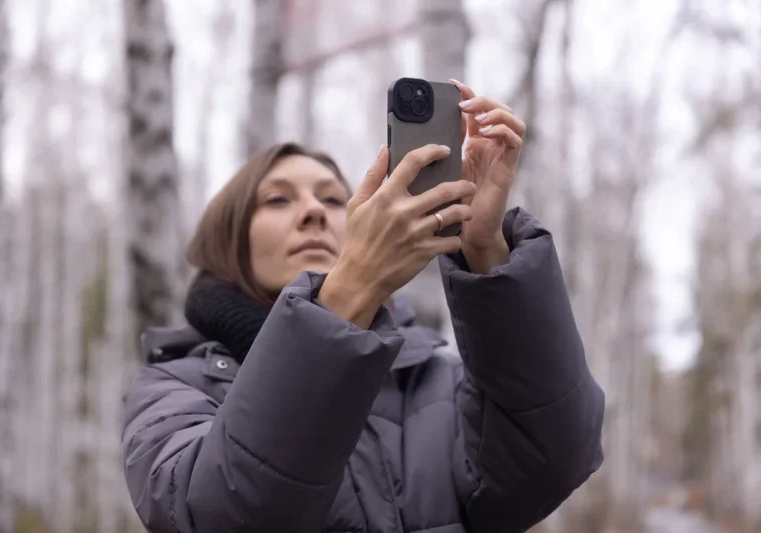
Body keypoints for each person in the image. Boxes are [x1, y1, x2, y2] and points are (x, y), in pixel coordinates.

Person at [121, 80, 605, 533]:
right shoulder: (173, 387)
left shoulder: (433, 374)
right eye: (276, 200)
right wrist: (350, 291)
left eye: (332, 198)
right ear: (228, 240)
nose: (312, 211)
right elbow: (221, 514)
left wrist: (485, 250)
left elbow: (552, 460)